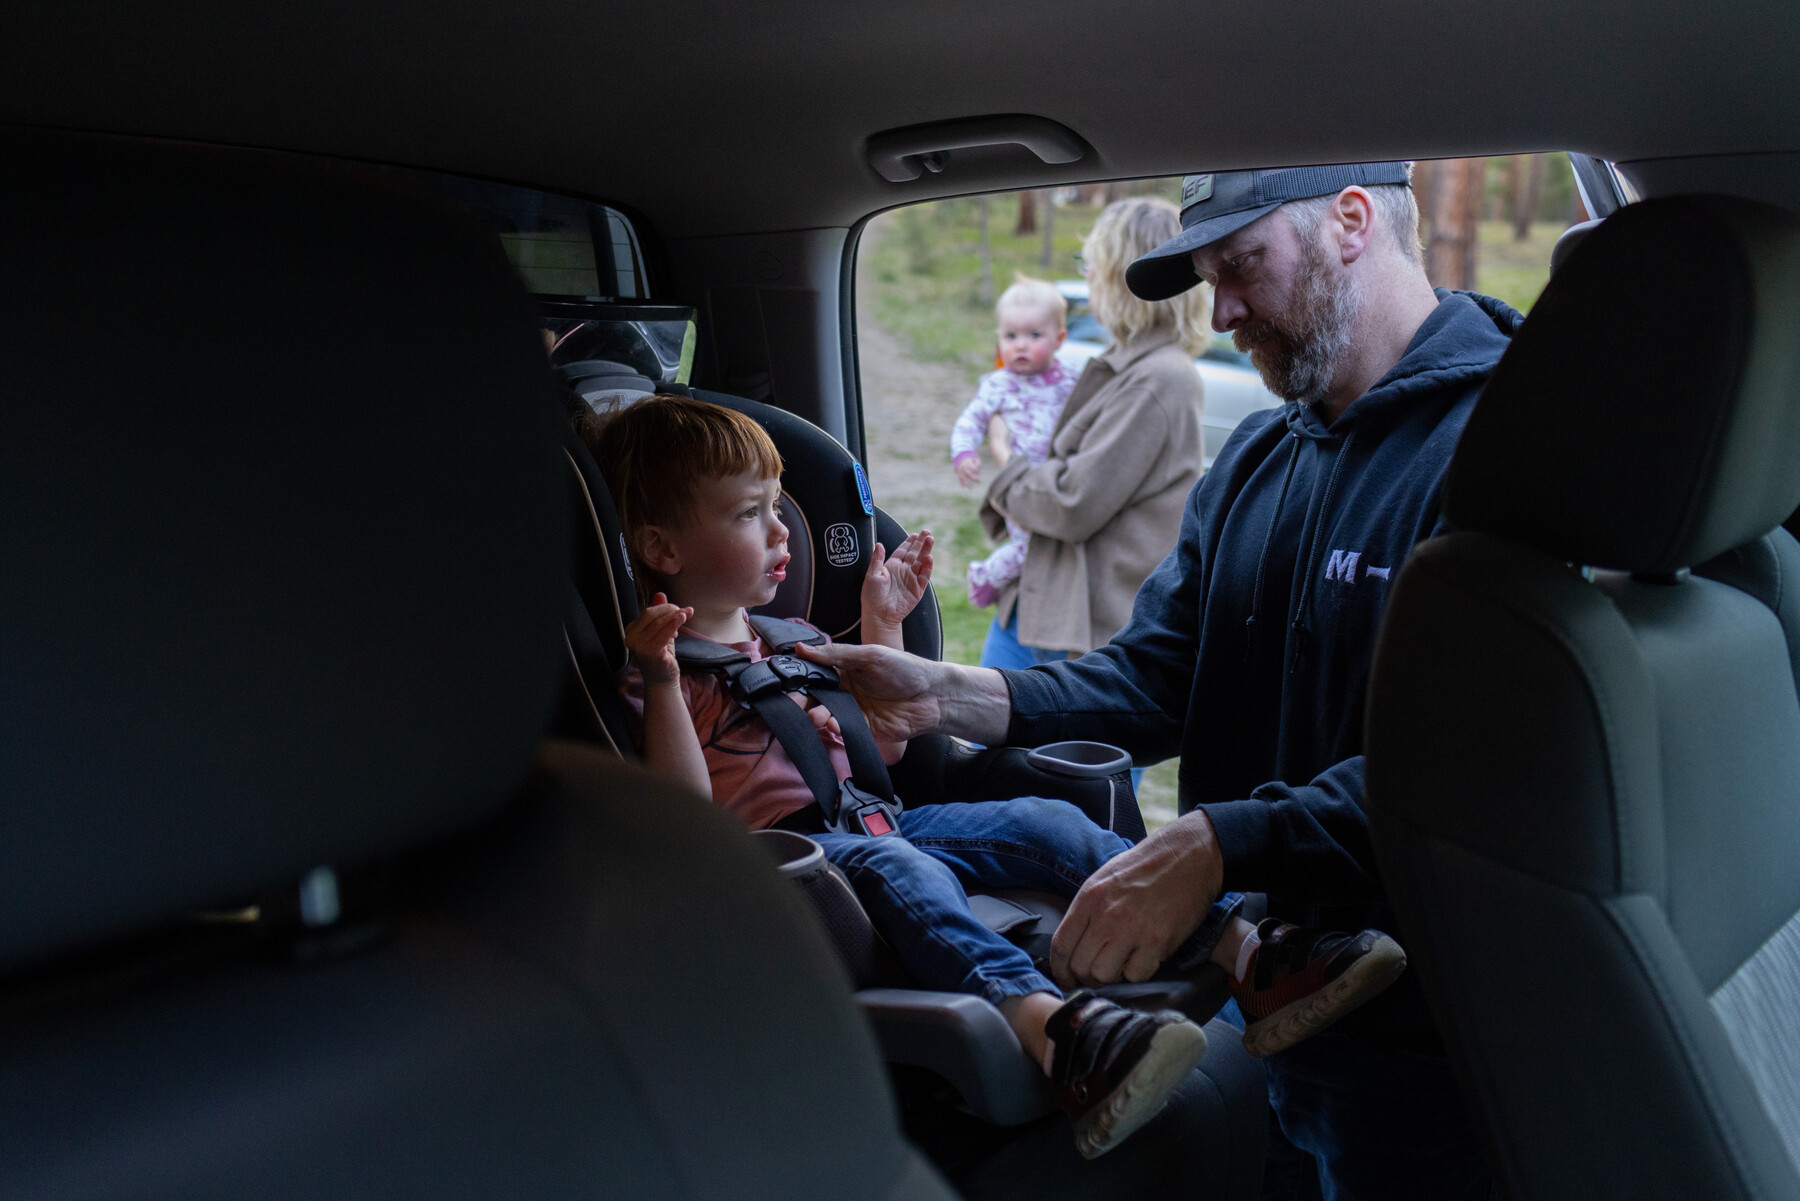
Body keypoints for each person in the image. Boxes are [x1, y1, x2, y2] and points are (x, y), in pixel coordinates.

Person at [799, 163, 1525, 1199]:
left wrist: (1224, 838)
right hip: (1261, 1006)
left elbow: (1483, 763)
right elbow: (1157, 675)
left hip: (1433, 1041)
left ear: (1353, 221)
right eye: (1207, 274)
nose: (1219, 308)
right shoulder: (1259, 460)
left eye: (1240, 266)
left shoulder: (1497, 447)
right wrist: (953, 694)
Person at [585, 394, 1402, 1158]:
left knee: (1047, 822)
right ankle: (1058, 1033)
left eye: (777, 506)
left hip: (878, 819)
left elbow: (885, 750)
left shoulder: (789, 636)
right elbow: (682, 820)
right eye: (749, 514)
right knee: (903, 866)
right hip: (796, 867)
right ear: (663, 548)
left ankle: (1252, 953)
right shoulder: (664, 671)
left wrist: (883, 623)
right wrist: (658, 676)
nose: (782, 532)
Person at [976, 197, 1210, 672]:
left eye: (1094, 263)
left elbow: (1071, 503)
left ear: (1124, 277)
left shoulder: (1159, 378)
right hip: (1042, 609)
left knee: (1014, 746)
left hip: (1074, 633)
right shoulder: (1128, 365)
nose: (1087, 277)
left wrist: (1005, 456)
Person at [949, 276, 1078, 610]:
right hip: (1019, 486)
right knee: (1027, 547)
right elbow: (971, 420)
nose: (1021, 344)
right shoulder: (998, 386)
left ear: (1059, 338)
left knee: (1053, 545)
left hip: (1057, 481)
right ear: (999, 340)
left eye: (1034, 335)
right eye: (1011, 336)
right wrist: (963, 453)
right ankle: (986, 576)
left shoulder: (1071, 381)